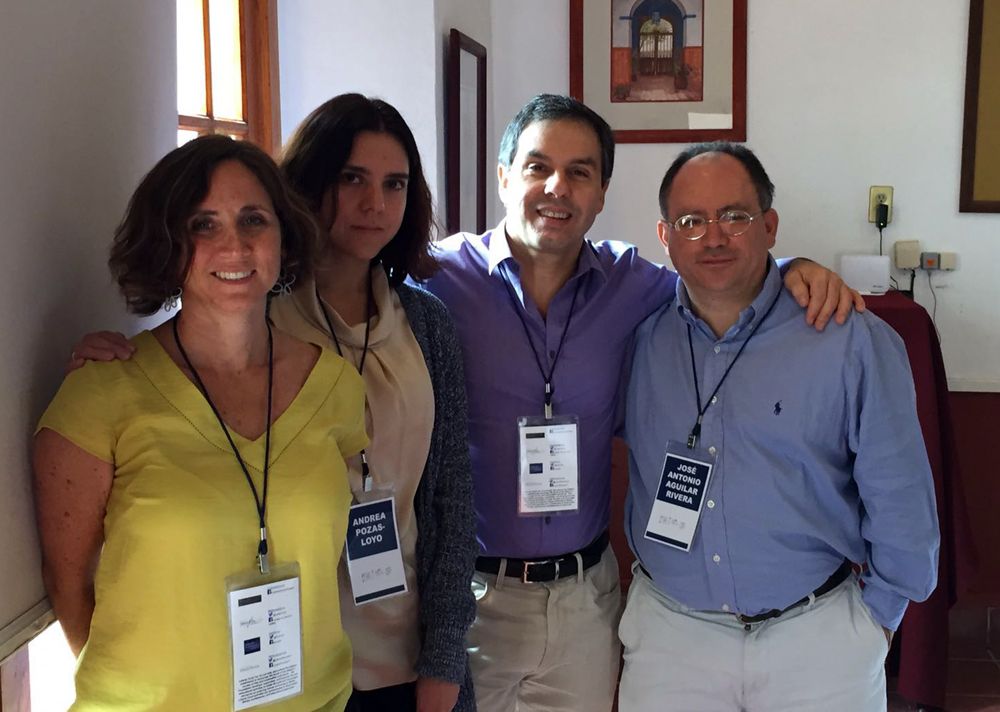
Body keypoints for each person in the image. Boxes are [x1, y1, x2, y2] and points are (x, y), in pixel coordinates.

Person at [419, 94, 865, 712]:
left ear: (601, 193)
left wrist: (794, 265)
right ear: (503, 177)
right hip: (473, 596)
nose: (557, 187)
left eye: (580, 172)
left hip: (584, 598)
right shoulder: (437, 280)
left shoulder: (634, 284)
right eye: (536, 166)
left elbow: (720, 269)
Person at [68, 94, 478, 712]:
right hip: (285, 661)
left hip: (405, 648)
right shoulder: (253, 310)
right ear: (309, 186)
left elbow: (451, 498)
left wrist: (445, 657)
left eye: (395, 184)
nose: (376, 204)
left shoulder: (425, 323)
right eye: (352, 179)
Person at [34, 135, 367, 710]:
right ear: (168, 243)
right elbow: (69, 589)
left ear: (282, 235)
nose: (234, 245)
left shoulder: (335, 387)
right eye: (203, 225)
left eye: (253, 219)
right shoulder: (101, 393)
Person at [619, 142, 939, 711]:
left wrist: (877, 622)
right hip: (671, 641)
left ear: (769, 225)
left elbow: (902, 495)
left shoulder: (849, 339)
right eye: (691, 221)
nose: (712, 237)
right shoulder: (635, 339)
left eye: (735, 216)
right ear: (665, 238)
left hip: (817, 641)